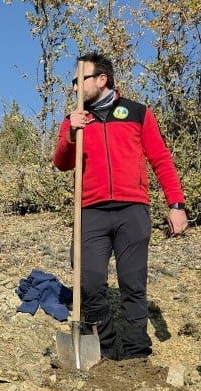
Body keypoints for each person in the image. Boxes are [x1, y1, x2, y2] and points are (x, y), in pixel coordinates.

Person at [52, 51, 188, 361]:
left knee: (133, 284)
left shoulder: (137, 113)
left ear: (101, 79)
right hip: (90, 210)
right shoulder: (73, 120)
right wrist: (72, 133)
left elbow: (161, 159)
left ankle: (137, 354)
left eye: (78, 80)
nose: (73, 88)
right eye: (72, 82)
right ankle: (108, 351)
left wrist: (176, 204)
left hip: (132, 209)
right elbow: (61, 163)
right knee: (87, 282)